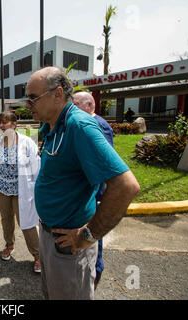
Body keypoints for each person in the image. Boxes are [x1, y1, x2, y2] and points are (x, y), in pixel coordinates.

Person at [25, 66, 140, 300]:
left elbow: (126, 186)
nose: (28, 105)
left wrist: (87, 236)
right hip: (50, 237)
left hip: (69, 247)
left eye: (33, 98)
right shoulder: (52, 127)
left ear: (58, 94)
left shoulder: (80, 126)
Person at [0, 111, 41, 273]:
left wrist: (35, 187)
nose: (1, 126)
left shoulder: (27, 142)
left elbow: (37, 166)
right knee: (6, 219)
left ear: (14, 125)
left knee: (26, 223)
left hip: (21, 190)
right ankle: (9, 245)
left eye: (5, 123)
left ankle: (37, 255)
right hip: (2, 189)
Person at [72, 91, 114, 289]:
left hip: (93, 194)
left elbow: (101, 166)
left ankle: (95, 273)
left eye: (76, 103)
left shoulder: (99, 126)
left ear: (89, 105)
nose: (72, 107)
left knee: (93, 235)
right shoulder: (82, 122)